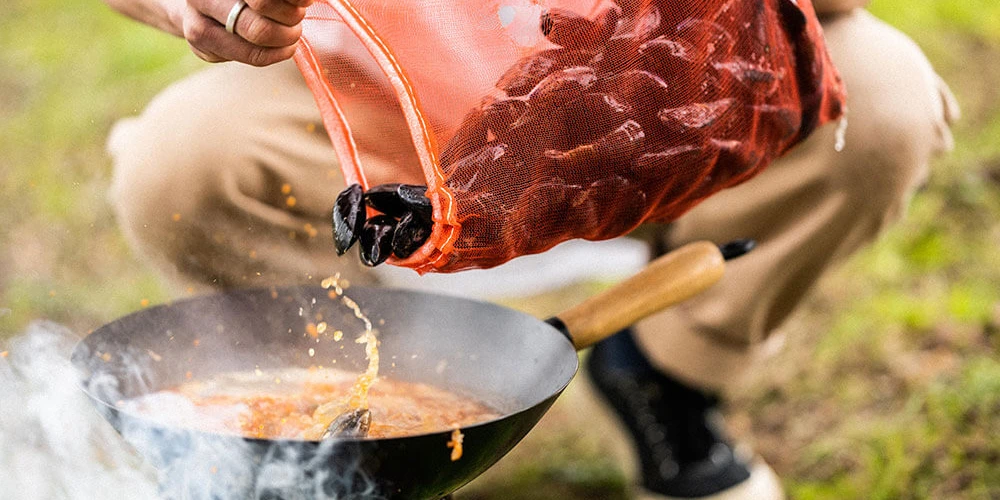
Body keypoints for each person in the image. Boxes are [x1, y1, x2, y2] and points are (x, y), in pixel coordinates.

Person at [103, 0, 958, 498]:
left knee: (884, 100)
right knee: (180, 163)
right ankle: (359, 411)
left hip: (662, 100)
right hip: (386, 120)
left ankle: (663, 375)